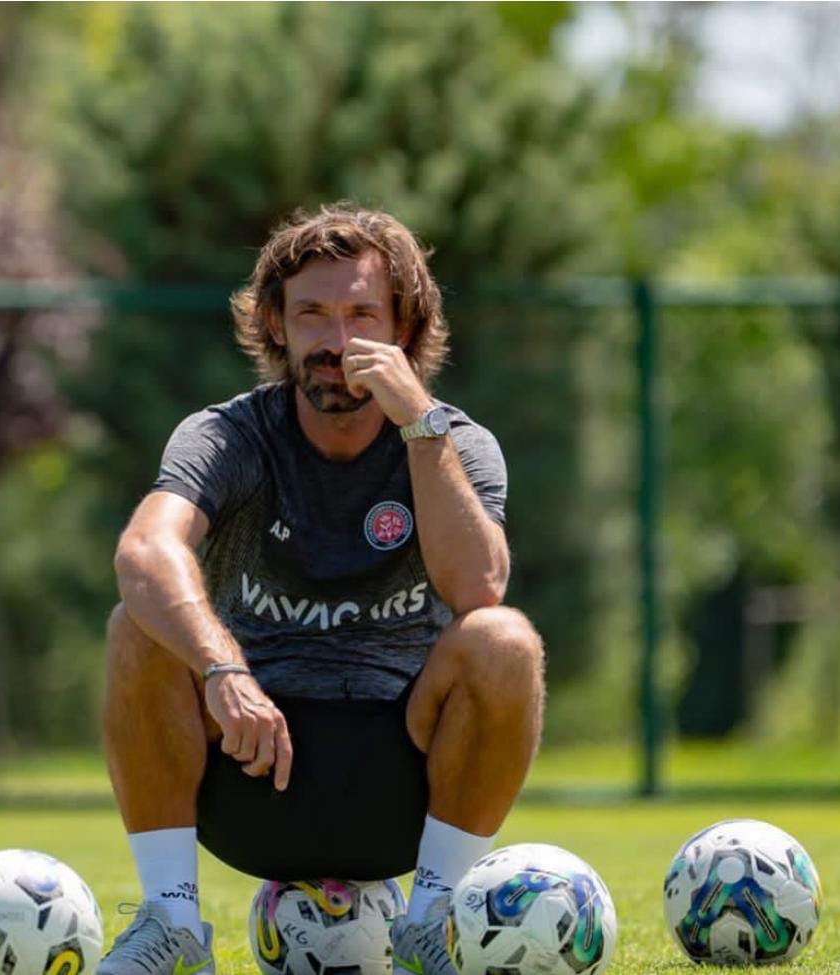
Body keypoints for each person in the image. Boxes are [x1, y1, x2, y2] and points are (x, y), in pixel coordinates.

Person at [99, 204, 545, 975]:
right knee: (137, 621)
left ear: (405, 328)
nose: (337, 341)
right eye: (312, 313)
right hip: (249, 771)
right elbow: (145, 549)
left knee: (504, 640)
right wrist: (222, 669)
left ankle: (432, 925)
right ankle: (172, 925)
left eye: (362, 315)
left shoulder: (456, 442)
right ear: (276, 324)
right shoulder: (229, 435)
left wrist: (419, 424)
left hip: (404, 793)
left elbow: (479, 585)